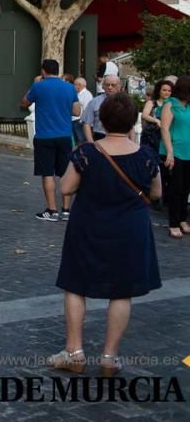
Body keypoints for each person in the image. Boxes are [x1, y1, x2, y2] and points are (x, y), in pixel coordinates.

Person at [50, 93, 161, 376]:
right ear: (133, 121)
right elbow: (156, 192)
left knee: (76, 284)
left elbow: (65, 188)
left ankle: (74, 351)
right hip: (130, 228)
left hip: (89, 225)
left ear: (102, 119)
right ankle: (109, 357)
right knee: (122, 292)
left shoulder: (86, 153)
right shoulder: (147, 156)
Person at [22, 60, 82, 221]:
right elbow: (77, 111)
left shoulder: (39, 86)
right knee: (64, 172)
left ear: (43, 71)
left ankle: (52, 210)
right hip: (64, 135)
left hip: (44, 136)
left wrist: (34, 84)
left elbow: (24, 102)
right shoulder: (69, 87)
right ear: (58, 70)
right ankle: (67, 209)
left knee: (47, 173)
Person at [160, 75, 190, 239]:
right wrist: (169, 152)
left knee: (186, 188)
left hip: (189, 151)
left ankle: (182, 219)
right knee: (176, 189)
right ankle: (173, 222)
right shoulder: (170, 104)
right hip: (176, 151)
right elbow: (164, 129)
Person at [82, 75, 124, 143]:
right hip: (100, 137)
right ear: (103, 86)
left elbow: (131, 126)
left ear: (119, 86)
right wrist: (91, 143)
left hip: (121, 138)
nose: (110, 87)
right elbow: (86, 123)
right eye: (107, 85)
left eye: (113, 85)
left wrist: (132, 142)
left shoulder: (125, 102)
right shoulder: (94, 102)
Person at [73, 77, 94, 145]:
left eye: (74, 84)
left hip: (80, 122)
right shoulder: (78, 93)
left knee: (81, 141)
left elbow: (87, 109)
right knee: (77, 141)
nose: (73, 86)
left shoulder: (87, 94)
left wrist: (81, 120)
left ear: (79, 85)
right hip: (75, 121)